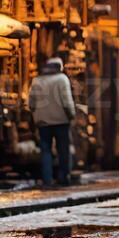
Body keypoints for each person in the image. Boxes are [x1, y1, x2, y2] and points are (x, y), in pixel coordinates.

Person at [28, 57, 76, 188]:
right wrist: (71, 115)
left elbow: (31, 103)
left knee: (46, 151)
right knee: (63, 150)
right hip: (61, 121)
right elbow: (67, 101)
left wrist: (36, 115)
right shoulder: (62, 79)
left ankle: (47, 180)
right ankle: (64, 178)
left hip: (43, 122)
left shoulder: (37, 80)